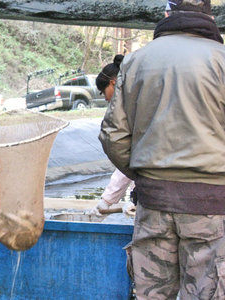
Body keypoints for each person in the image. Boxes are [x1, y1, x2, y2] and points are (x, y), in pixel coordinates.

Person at [99, 0, 225, 299]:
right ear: (209, 16)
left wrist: (144, 173)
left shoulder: (135, 61)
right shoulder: (222, 60)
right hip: (211, 204)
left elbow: (112, 135)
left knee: (152, 293)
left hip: (153, 200)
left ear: (167, 14)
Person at [92, 55, 135, 216]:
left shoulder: (128, 110)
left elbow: (128, 162)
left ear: (113, 83)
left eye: (105, 92)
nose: (106, 98)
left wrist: (107, 201)